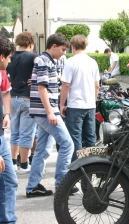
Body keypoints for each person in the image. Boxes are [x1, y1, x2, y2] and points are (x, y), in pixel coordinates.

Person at [26, 33, 74, 198]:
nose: (63, 53)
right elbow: (42, 88)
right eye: (62, 49)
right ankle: (62, 184)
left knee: (43, 150)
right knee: (67, 144)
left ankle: (33, 186)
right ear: (54, 46)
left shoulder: (44, 60)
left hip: (41, 111)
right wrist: (50, 112)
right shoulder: (44, 61)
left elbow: (42, 84)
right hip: (46, 112)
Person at [60, 35, 100, 162]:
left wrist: (61, 104)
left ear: (73, 46)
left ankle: (77, 169)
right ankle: (91, 166)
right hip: (90, 105)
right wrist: (92, 100)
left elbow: (66, 85)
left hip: (75, 105)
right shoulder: (93, 62)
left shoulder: (70, 62)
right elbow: (97, 85)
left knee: (75, 139)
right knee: (90, 138)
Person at [6, 31, 38, 174]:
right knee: (26, 133)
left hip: (13, 98)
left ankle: (13, 162)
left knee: (15, 132)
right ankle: (24, 165)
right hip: (27, 98)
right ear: (31, 44)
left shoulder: (11, 57)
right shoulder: (33, 57)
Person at [0, 35, 18, 223]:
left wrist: (6, 114)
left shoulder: (1, 72)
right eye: (9, 57)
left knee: (9, 181)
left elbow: (5, 93)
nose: (10, 60)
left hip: (1, 137)